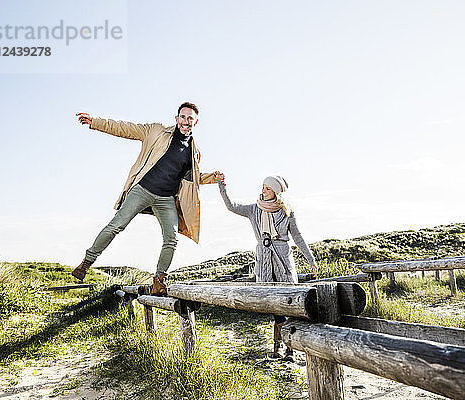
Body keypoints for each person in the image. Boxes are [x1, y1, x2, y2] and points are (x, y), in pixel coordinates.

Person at [71, 102, 220, 296]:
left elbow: (192, 178)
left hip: (166, 199)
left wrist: (213, 178)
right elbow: (126, 128)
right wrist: (95, 122)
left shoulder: (194, 152)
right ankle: (86, 262)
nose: (186, 121)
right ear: (176, 119)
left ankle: (159, 280)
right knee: (117, 225)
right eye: (183, 117)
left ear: (196, 122)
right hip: (142, 189)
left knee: (171, 239)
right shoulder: (156, 131)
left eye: (190, 118)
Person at [216, 174, 318, 360]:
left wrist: (310, 259)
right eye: (263, 187)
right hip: (264, 259)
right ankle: (278, 345)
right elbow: (231, 206)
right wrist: (221, 185)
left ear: (276, 192)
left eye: (267, 188)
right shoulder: (253, 209)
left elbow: (298, 236)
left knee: (289, 301)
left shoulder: (286, 211)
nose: (263, 190)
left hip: (283, 258)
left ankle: (290, 348)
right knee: (272, 302)